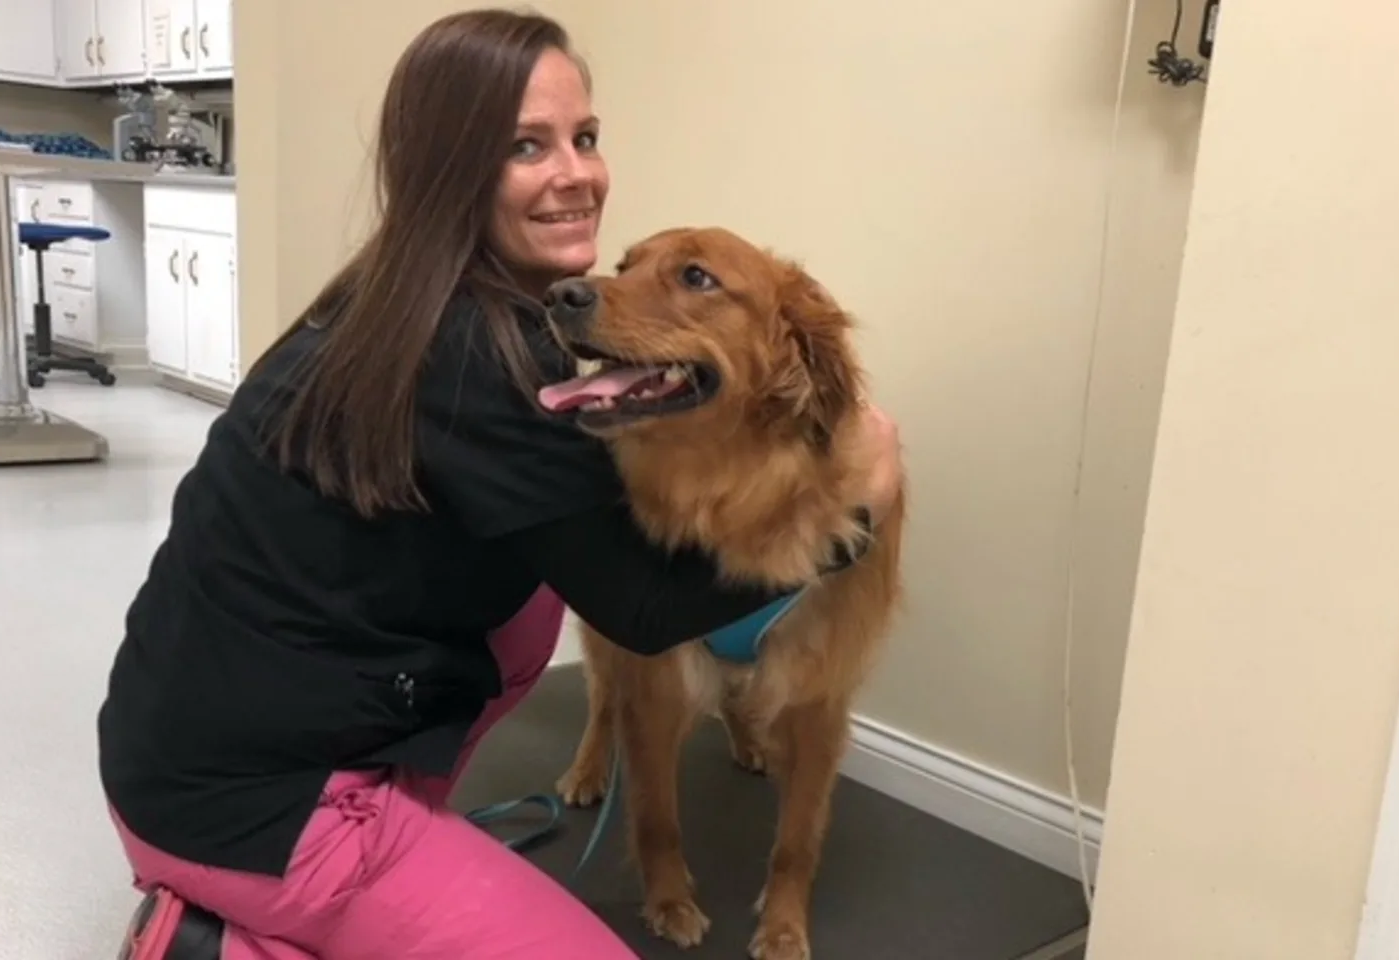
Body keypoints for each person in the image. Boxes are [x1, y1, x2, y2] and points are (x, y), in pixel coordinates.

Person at [100, 8, 904, 960]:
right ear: (451, 169)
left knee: (527, 596)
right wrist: (856, 521)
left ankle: (345, 882)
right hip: (255, 803)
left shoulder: (404, 300)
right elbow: (642, 614)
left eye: (585, 137)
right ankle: (214, 937)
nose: (577, 174)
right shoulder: (480, 358)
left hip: (193, 739)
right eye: (526, 146)